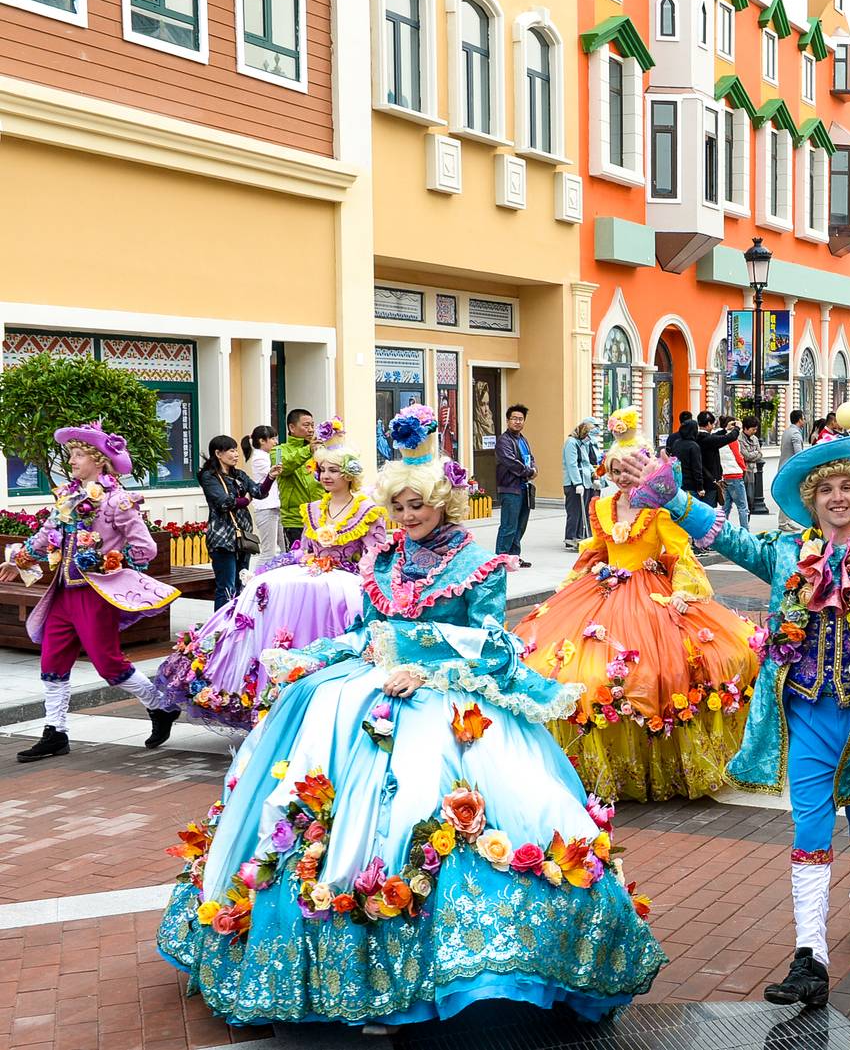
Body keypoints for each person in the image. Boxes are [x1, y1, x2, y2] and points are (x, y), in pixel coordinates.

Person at [153, 406, 666, 1025]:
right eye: (396, 507)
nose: (405, 518)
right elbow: (367, 631)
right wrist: (308, 655)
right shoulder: (388, 560)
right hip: (367, 692)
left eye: (415, 506)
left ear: (441, 503)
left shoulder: (475, 560)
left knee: (456, 808)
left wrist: (425, 664)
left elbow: (492, 640)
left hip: (448, 700)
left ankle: (483, 963)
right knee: (311, 760)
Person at [614, 434, 850, 1008]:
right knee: (809, 831)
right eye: (825, 491)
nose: (837, 498)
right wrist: (674, 500)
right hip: (806, 713)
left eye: (847, 488)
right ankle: (809, 959)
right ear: (811, 503)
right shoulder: (789, 555)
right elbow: (732, 537)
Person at [511, 406, 759, 802]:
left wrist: (682, 590)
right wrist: (576, 579)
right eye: (616, 470)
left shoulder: (658, 509)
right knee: (568, 666)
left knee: (659, 671)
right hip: (602, 591)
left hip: (650, 594)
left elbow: (679, 552)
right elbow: (597, 548)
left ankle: (653, 759)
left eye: (630, 469)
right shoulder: (602, 507)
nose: (622, 477)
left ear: (644, 470)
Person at [153, 431, 388, 732]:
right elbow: (304, 549)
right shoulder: (314, 509)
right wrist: (308, 563)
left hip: (343, 582)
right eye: (323, 469)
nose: (326, 475)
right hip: (310, 574)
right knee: (262, 590)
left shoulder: (367, 510)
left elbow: (374, 554)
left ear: (349, 475)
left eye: (334, 470)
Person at [0, 422, 181, 759]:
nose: (71, 461)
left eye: (78, 455)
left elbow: (145, 547)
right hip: (64, 592)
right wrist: (18, 560)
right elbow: (46, 535)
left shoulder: (117, 501)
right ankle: (55, 732)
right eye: (71, 455)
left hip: (96, 595)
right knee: (52, 660)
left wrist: (114, 565)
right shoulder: (68, 497)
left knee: (108, 663)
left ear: (98, 461)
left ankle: (161, 706)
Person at [200, 435, 280, 608]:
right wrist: (245, 500)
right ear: (218, 453)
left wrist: (271, 477)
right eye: (231, 450)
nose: (236, 454)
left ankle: (238, 624)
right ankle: (221, 628)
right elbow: (223, 502)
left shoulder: (239, 475)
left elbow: (258, 492)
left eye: (236, 450)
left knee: (241, 583)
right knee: (226, 586)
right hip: (222, 538)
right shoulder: (209, 477)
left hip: (242, 538)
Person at [274, 408, 324, 551]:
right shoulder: (278, 451)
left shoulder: (319, 450)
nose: (310, 429)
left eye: (312, 425)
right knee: (298, 562)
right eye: (306, 425)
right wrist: (308, 450)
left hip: (320, 517)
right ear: (292, 427)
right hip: (295, 520)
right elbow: (283, 466)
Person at [494, 403, 537, 560]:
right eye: (514, 418)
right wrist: (529, 472)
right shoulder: (504, 441)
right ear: (508, 420)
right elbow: (510, 461)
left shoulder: (523, 440)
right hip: (510, 488)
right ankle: (501, 558)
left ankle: (514, 557)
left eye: (520, 419)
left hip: (523, 488)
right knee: (509, 526)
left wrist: (533, 467)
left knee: (520, 525)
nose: (517, 422)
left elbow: (529, 458)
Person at [242, 425, 284, 564]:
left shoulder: (266, 456)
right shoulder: (259, 458)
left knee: (285, 549)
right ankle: (257, 582)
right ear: (262, 441)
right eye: (272, 438)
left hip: (275, 505)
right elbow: (274, 474)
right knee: (268, 552)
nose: (275, 442)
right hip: (266, 507)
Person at [561, 419, 596, 551]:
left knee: (583, 511)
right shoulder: (571, 443)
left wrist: (594, 475)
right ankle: (571, 537)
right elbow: (572, 465)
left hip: (585, 481)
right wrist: (577, 483)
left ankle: (580, 536)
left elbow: (586, 462)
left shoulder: (582, 444)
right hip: (574, 483)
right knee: (574, 511)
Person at [696, 411, 741, 507]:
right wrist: (737, 428)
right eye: (712, 424)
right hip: (710, 481)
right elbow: (729, 438)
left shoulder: (698, 437)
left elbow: (714, 437)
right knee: (710, 510)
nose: (713, 426)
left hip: (701, 479)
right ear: (708, 424)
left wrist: (725, 429)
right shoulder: (708, 440)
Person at [719, 415, 751, 530]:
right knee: (743, 507)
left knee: (726, 507)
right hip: (735, 475)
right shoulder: (732, 439)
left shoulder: (719, 437)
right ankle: (745, 532)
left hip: (725, 475)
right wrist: (744, 468)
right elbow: (738, 457)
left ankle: (722, 531)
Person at [778, 410, 808, 531]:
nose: (804, 421)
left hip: (784, 467)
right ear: (800, 419)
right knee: (788, 496)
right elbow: (798, 454)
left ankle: (786, 521)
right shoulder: (795, 433)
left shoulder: (787, 431)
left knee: (788, 496)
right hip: (791, 470)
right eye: (804, 418)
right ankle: (783, 523)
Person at [669, 416, 707, 503]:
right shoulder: (693, 446)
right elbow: (697, 468)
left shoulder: (676, 443)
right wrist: (700, 487)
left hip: (678, 483)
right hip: (691, 485)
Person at [740, 414, 764, 518]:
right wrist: (754, 454)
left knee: (751, 498)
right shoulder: (739, 439)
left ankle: (747, 519)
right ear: (745, 428)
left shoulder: (754, 439)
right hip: (744, 471)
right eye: (753, 429)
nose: (755, 432)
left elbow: (760, 453)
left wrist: (752, 454)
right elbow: (745, 455)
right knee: (744, 499)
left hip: (752, 471)